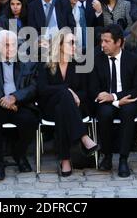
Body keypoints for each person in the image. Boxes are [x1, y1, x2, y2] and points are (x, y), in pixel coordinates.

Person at [37, 29, 99, 177]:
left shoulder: (80, 63)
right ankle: (83, 137)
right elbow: (42, 89)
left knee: (62, 110)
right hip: (49, 107)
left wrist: (71, 95)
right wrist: (69, 92)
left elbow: (86, 92)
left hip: (76, 108)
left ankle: (65, 159)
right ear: (59, 45)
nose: (75, 46)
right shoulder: (45, 63)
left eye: (76, 43)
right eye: (71, 43)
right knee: (63, 98)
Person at [0, 30, 38, 181]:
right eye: (6, 45)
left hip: (20, 104)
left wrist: (15, 97)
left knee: (30, 120)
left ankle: (19, 153)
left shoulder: (27, 63)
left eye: (13, 45)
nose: (10, 48)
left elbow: (33, 87)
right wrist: (0, 99)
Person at [90, 25, 137, 177]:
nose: (103, 45)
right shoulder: (96, 60)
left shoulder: (134, 60)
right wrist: (115, 102)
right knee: (105, 113)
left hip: (129, 100)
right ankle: (106, 156)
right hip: (106, 103)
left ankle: (123, 159)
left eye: (107, 41)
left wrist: (114, 97)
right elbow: (93, 89)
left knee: (128, 111)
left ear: (119, 42)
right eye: (101, 41)